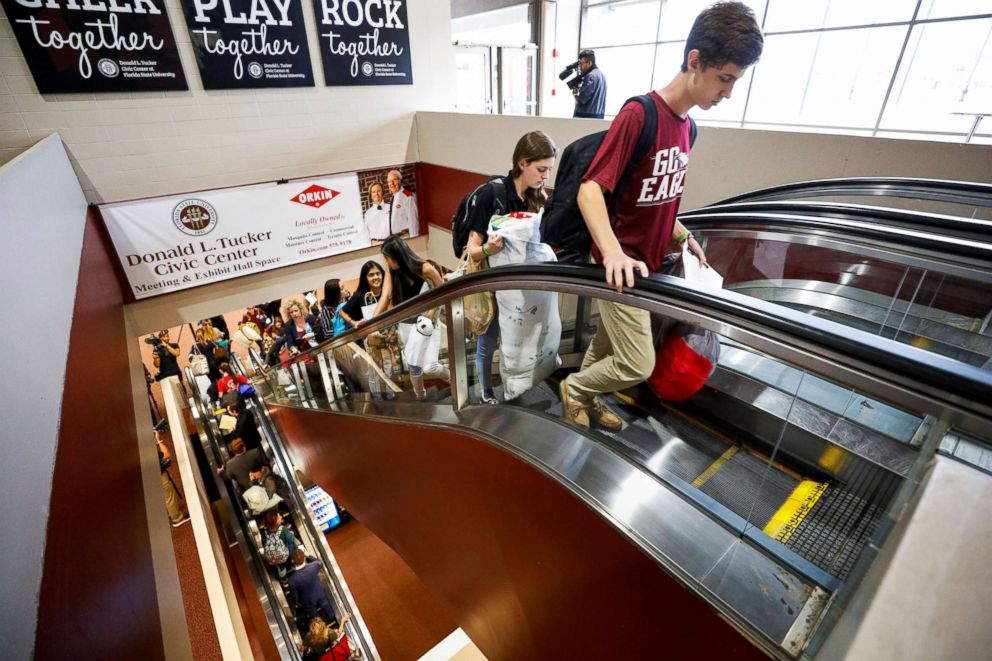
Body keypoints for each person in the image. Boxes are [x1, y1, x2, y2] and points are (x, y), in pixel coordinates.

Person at [559, 2, 763, 430]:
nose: (727, 92)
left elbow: (654, 197)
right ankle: (575, 390)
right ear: (695, 61)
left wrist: (679, 231)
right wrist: (612, 253)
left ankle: (586, 396)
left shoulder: (688, 128)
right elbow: (591, 190)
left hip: (649, 266)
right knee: (635, 362)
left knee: (606, 345)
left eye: (735, 82)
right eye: (724, 78)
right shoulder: (640, 115)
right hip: (621, 265)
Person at [462, 131, 557, 404]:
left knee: (520, 333)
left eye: (549, 170)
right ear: (522, 163)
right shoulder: (494, 194)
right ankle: (486, 389)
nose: (545, 176)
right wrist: (490, 249)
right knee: (490, 338)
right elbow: (473, 249)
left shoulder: (537, 198)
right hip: (494, 284)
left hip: (522, 284)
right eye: (540, 169)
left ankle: (516, 381)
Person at [375, 235, 449, 400]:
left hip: (428, 325)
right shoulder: (391, 270)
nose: (386, 262)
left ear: (397, 257)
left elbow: (443, 290)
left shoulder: (425, 269)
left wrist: (431, 312)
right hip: (406, 326)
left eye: (387, 258)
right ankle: (420, 396)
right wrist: (372, 321)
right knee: (414, 365)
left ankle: (452, 378)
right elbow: (385, 296)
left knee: (429, 366)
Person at [287, 550, 336, 623]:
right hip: (320, 592)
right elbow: (319, 562)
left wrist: (296, 603)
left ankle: (319, 626)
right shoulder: (313, 566)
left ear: (292, 561)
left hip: (307, 600)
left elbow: (294, 595)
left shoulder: (292, 579)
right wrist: (308, 556)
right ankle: (332, 617)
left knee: (313, 613)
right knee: (325, 604)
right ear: (304, 558)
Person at [157, 431, 190, 527]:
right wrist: (159, 440)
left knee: (163, 496)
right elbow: (166, 454)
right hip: (160, 475)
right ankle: (177, 518)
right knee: (169, 496)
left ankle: (169, 513)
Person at [573, 49, 607, 119]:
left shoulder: (590, 76)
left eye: (582, 63)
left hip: (585, 119)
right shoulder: (601, 75)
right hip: (598, 117)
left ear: (589, 63)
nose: (580, 66)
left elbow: (582, 100)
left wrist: (575, 94)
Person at [386, 169, 419, 238]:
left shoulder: (408, 196)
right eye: (389, 181)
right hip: (396, 238)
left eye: (394, 180)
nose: (391, 183)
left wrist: (415, 239)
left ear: (400, 181)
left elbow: (413, 221)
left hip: (406, 236)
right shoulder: (394, 197)